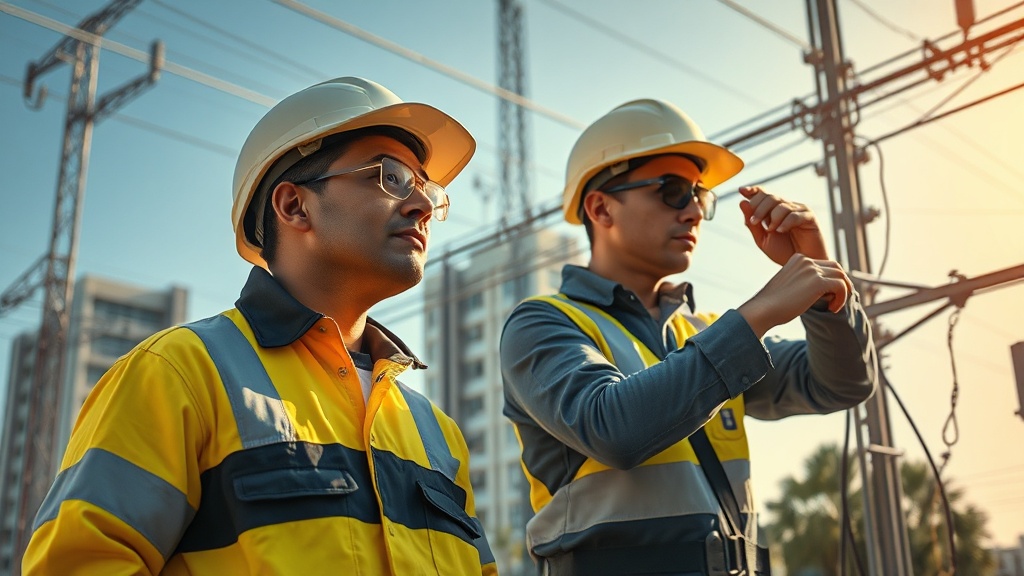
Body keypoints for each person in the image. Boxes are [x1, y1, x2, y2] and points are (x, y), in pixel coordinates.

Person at [23, 77, 497, 575]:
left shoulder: (436, 432)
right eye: (392, 176)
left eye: (428, 188)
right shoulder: (178, 373)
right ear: (294, 205)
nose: (422, 205)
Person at [500, 98, 878, 575]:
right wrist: (758, 314)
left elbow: (842, 383)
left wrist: (825, 286)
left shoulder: (703, 334)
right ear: (600, 208)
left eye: (701, 196)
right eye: (674, 191)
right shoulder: (542, 324)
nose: (695, 211)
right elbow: (610, 428)